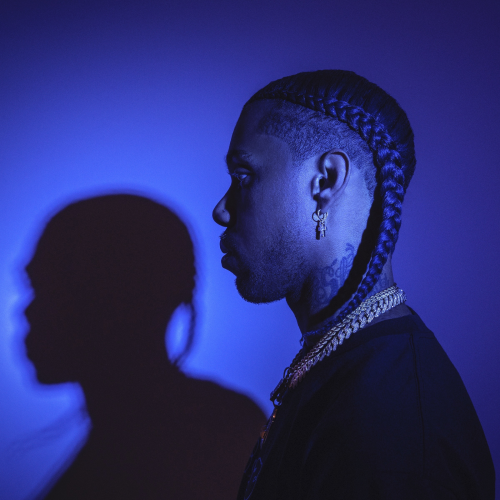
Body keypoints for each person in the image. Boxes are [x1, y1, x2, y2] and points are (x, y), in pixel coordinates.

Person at [212, 71, 495, 499]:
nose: (221, 209)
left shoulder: (394, 427)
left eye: (244, 175)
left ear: (325, 181)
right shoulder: (344, 365)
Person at [24, 193, 265, 500]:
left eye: (47, 287)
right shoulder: (220, 423)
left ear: (112, 297)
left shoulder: (211, 433)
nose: (27, 311)